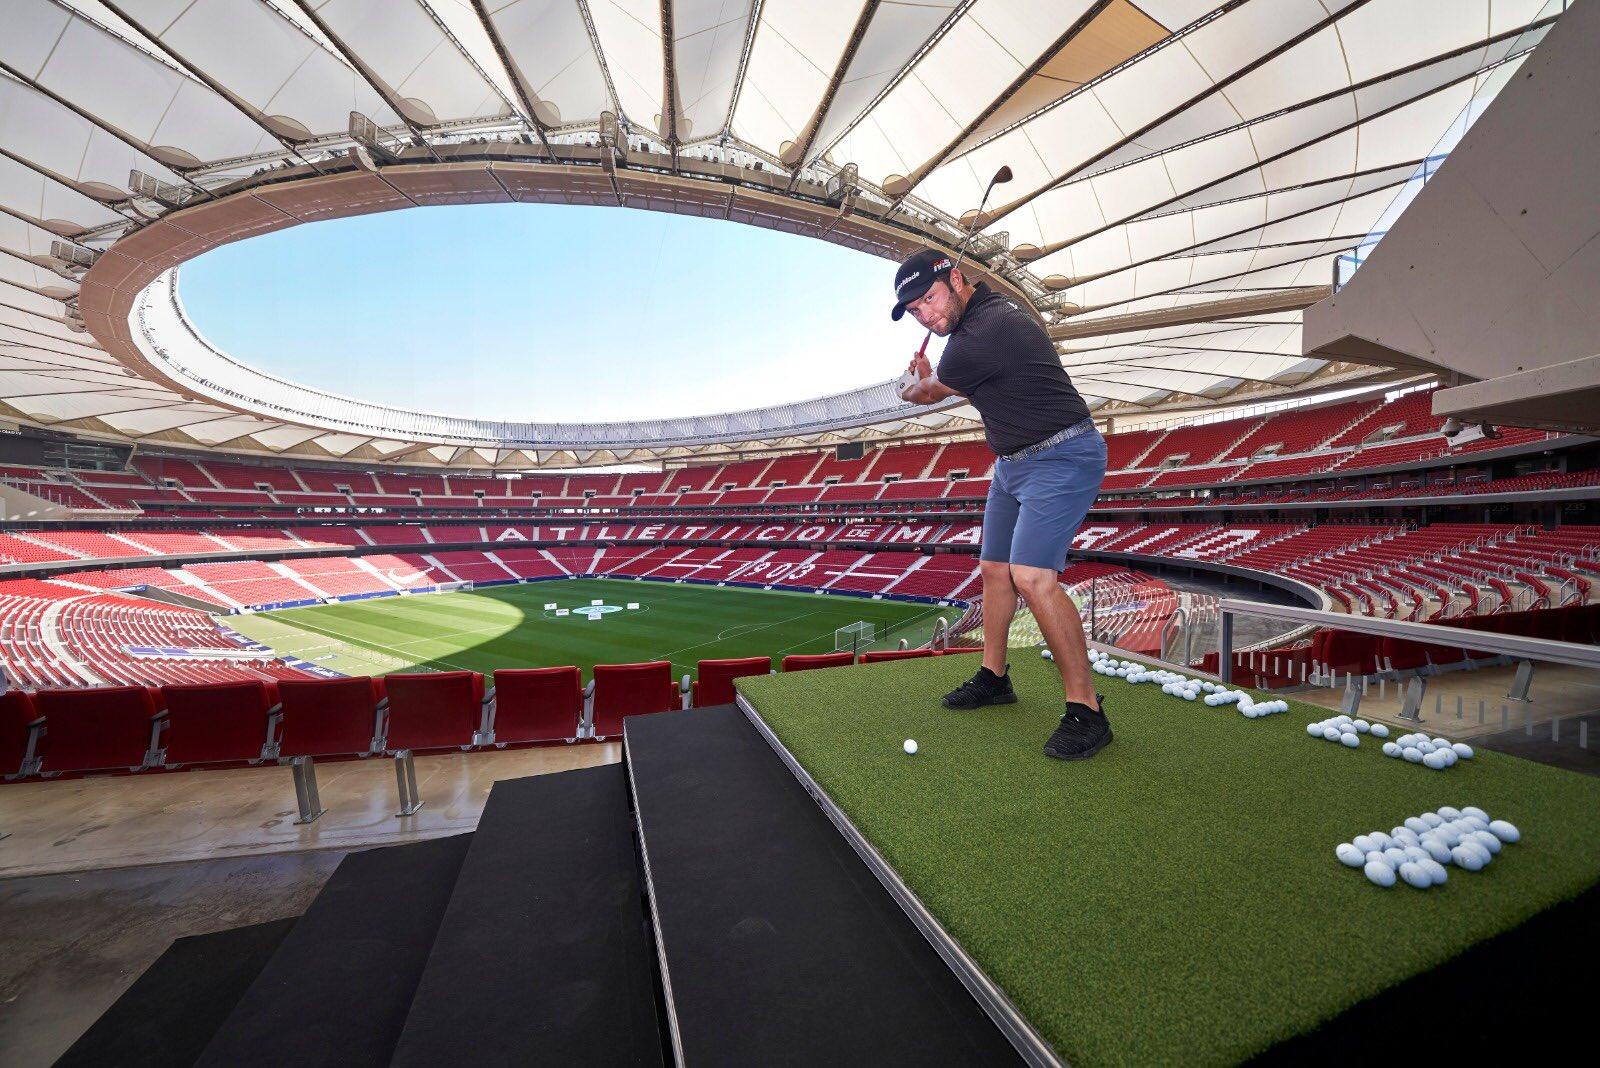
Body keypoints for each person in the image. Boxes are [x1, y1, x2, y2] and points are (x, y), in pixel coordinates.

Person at [891, 248, 1111, 760]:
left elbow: (927, 395)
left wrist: (914, 384)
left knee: (1032, 576)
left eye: (930, 297)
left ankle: (1088, 711)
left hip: (1063, 455)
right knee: (994, 568)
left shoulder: (984, 332)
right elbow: (961, 381)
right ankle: (994, 676)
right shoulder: (975, 331)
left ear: (959, 279)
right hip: (1012, 464)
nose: (926, 313)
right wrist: (929, 374)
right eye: (916, 309)